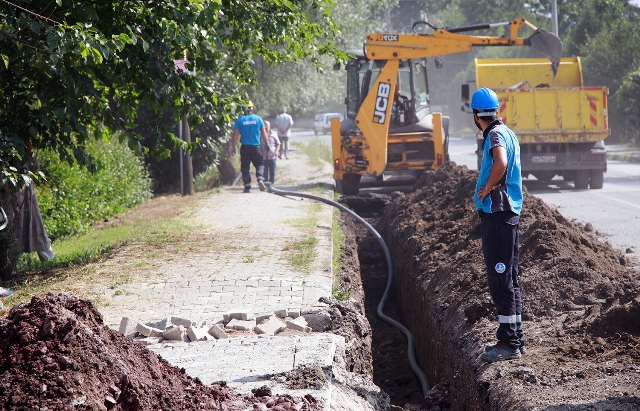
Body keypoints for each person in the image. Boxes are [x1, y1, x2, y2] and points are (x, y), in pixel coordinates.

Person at [470, 87, 525, 363]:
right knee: (510, 277)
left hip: (498, 213)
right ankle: (515, 336)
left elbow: (501, 162)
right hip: (508, 213)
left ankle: (508, 343)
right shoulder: (508, 132)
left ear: (475, 114)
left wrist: (486, 187)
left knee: (500, 277)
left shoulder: (494, 134)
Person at [231, 101, 270, 193]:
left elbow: (236, 135)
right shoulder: (258, 119)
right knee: (259, 164)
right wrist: (267, 143)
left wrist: (233, 146)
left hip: (245, 147)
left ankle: (247, 186)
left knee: (245, 167)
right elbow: (263, 132)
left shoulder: (240, 120)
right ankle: (260, 178)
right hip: (256, 147)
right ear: (252, 108)